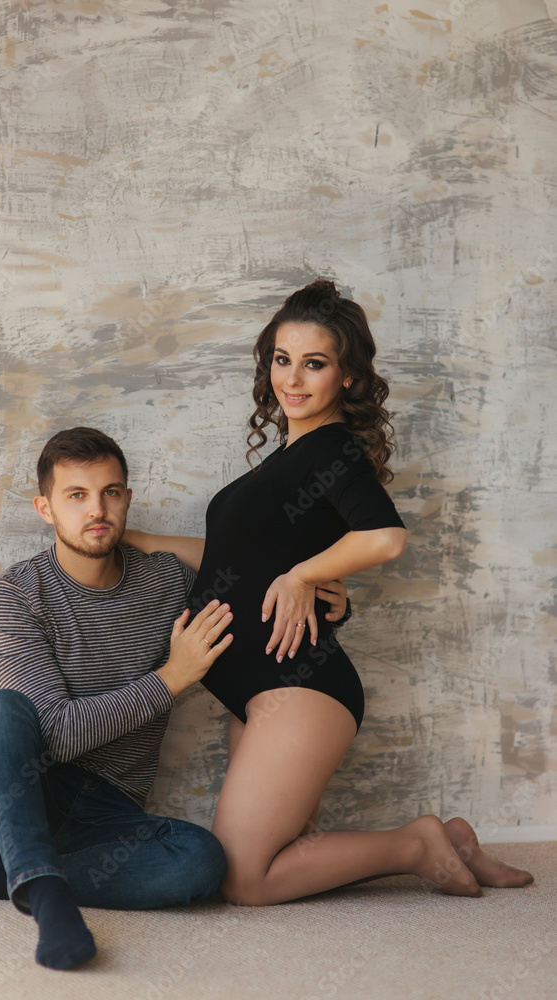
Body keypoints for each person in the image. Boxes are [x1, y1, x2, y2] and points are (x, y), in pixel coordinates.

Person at [124, 278, 534, 905]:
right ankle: (456, 840)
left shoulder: (331, 448)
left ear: (347, 376)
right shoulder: (286, 461)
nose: (292, 378)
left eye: (314, 363)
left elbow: (384, 537)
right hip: (258, 696)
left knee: (244, 880)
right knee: (279, 856)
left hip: (298, 690)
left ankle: (417, 845)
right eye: (281, 361)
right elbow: (235, 561)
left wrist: (303, 576)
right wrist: (151, 540)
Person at [0, 426, 348, 971]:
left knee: (202, 862)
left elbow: (254, 582)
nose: (97, 509)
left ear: (127, 498)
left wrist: (321, 591)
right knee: (3, 709)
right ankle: (49, 897)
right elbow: (54, 732)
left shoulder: (167, 584)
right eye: (76, 495)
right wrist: (172, 677)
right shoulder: (13, 595)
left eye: (110, 492)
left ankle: (1, 873)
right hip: (12, 792)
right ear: (45, 507)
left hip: (109, 812)